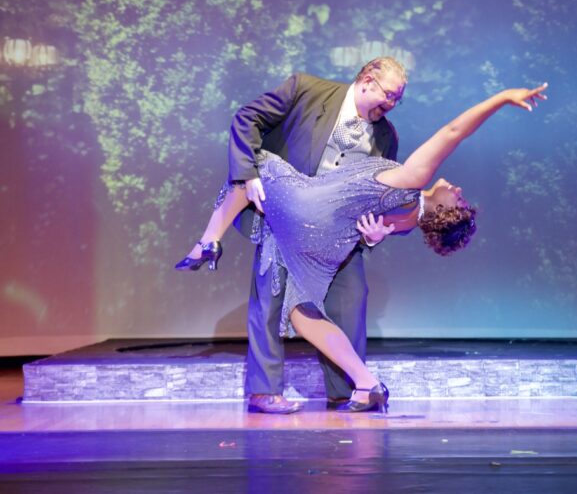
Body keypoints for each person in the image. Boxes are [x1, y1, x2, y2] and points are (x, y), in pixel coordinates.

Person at [176, 83, 549, 413]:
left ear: (446, 211)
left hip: (311, 212)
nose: (459, 189)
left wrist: (501, 98)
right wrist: (374, 237)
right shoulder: (407, 218)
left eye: (459, 198)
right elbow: (372, 230)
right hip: (326, 247)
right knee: (303, 315)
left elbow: (454, 132)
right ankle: (368, 384)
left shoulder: (411, 181)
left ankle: (208, 242)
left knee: (255, 167)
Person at [177, 58, 407, 414]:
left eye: (397, 100)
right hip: (286, 216)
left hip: (339, 232)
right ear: (366, 80)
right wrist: (248, 174)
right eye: (388, 95)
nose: (390, 105)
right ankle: (264, 391)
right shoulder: (307, 90)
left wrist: (374, 235)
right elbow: (246, 118)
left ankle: (351, 390)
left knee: (351, 297)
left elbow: (375, 191)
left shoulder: (386, 137)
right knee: (270, 298)